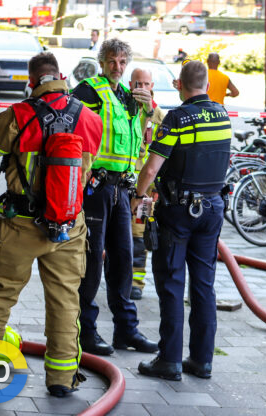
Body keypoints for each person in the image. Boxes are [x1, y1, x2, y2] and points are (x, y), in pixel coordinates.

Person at [0, 52, 102, 396]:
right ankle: (61, 378)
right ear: (61, 76)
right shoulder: (89, 119)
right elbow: (90, 163)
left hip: (20, 224)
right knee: (66, 301)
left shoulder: (18, 116)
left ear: (30, 80)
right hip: (69, 226)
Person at [132, 60, 231, 381]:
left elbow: (151, 167)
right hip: (213, 208)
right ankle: (202, 361)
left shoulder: (177, 119)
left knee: (172, 284)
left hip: (178, 212)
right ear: (206, 84)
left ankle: (170, 360)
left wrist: (138, 196)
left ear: (178, 84)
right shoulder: (223, 115)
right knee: (204, 287)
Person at [71, 38, 158, 356]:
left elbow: (138, 142)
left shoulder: (129, 96)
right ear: (102, 61)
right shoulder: (90, 90)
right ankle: (86, 332)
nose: (117, 67)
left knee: (123, 259)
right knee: (92, 262)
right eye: (111, 61)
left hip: (122, 189)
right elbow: (73, 129)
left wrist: (147, 109)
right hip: (96, 188)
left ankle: (126, 330)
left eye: (122, 62)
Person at [129, 67, 166, 300]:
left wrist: (155, 191)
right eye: (137, 84)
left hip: (144, 190)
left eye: (145, 84)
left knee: (138, 236)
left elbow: (163, 155)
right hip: (121, 184)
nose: (141, 88)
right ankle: (119, 276)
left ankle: (135, 282)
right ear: (131, 85)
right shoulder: (124, 110)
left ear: (152, 86)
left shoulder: (159, 115)